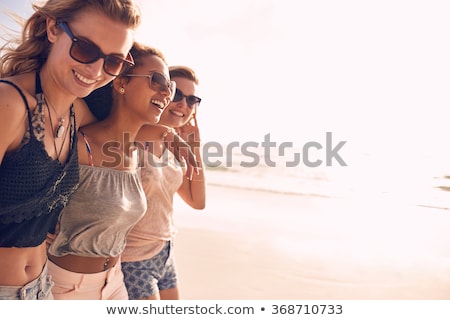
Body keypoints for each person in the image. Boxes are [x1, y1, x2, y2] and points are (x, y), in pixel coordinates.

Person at [0, 0, 140, 300]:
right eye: (86, 49)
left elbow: (119, 130)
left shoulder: (77, 110)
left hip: (42, 288)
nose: (96, 70)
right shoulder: (9, 104)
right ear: (52, 29)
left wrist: (174, 135)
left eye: (113, 62)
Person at [46, 42, 178, 300]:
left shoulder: (136, 155)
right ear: (121, 83)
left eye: (170, 87)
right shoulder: (80, 144)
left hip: (115, 283)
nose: (166, 92)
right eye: (157, 80)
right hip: (66, 288)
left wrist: (168, 133)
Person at [121, 65, 206, 300]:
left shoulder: (174, 146)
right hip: (133, 258)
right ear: (164, 93)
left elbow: (197, 202)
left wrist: (194, 147)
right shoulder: (133, 136)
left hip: (165, 251)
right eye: (177, 95)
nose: (184, 105)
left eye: (192, 100)